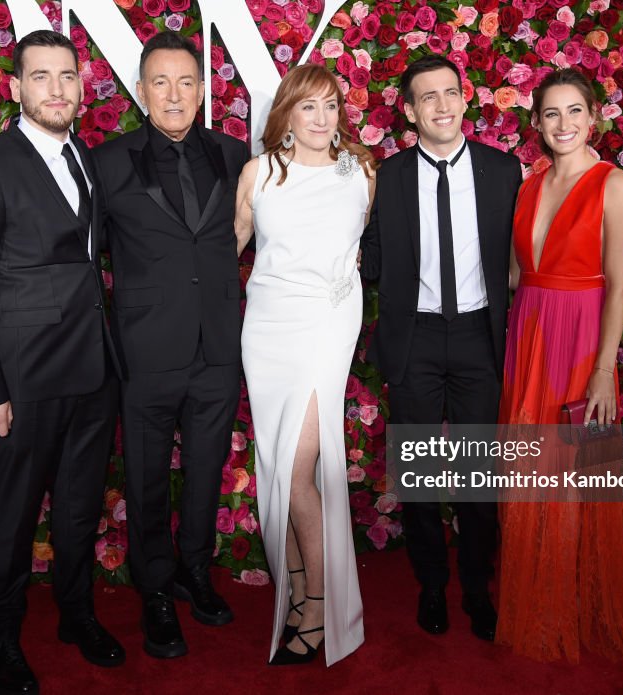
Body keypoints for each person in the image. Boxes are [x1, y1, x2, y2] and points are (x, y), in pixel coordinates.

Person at [0, 29, 125, 695]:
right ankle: (1, 642)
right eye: (42, 76)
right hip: (23, 380)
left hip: (92, 369)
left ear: (81, 87)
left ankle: (77, 615)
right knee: (17, 514)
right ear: (16, 89)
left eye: (68, 76)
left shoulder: (85, 156)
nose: (58, 88)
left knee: (79, 509)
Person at [495, 68, 623, 662]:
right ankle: (538, 596)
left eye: (574, 112)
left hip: (583, 345)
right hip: (530, 335)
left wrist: (603, 370)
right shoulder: (529, 185)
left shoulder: (615, 184)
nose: (564, 124)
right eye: (551, 114)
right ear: (538, 125)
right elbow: (518, 274)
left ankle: (580, 601)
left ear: (593, 117)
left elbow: (620, 286)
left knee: (581, 475)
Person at [93, 31, 249, 659]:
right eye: (161, 82)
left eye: (187, 81)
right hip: (146, 351)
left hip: (218, 346)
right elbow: (84, 258)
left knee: (208, 471)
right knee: (149, 478)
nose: (175, 93)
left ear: (204, 89)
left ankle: (193, 572)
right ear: (141, 91)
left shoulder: (235, 156)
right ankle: (155, 588)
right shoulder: (106, 162)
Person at [359, 56, 522, 642]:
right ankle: (431, 585)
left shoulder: (504, 172)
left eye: (450, 93)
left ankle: (477, 587)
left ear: (464, 98)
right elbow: (368, 260)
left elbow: (523, 257)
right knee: (421, 479)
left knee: (481, 480)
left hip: (481, 338)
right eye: (428, 97)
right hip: (416, 340)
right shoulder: (388, 177)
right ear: (409, 111)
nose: (443, 105)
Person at [236, 64, 376, 666]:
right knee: (276, 467)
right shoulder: (259, 173)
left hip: (325, 327)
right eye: (309, 107)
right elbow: (228, 250)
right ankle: (297, 590)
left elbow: (358, 251)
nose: (322, 120)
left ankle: (318, 604)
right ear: (287, 115)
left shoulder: (362, 174)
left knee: (297, 469)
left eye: (331, 107)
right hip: (266, 330)